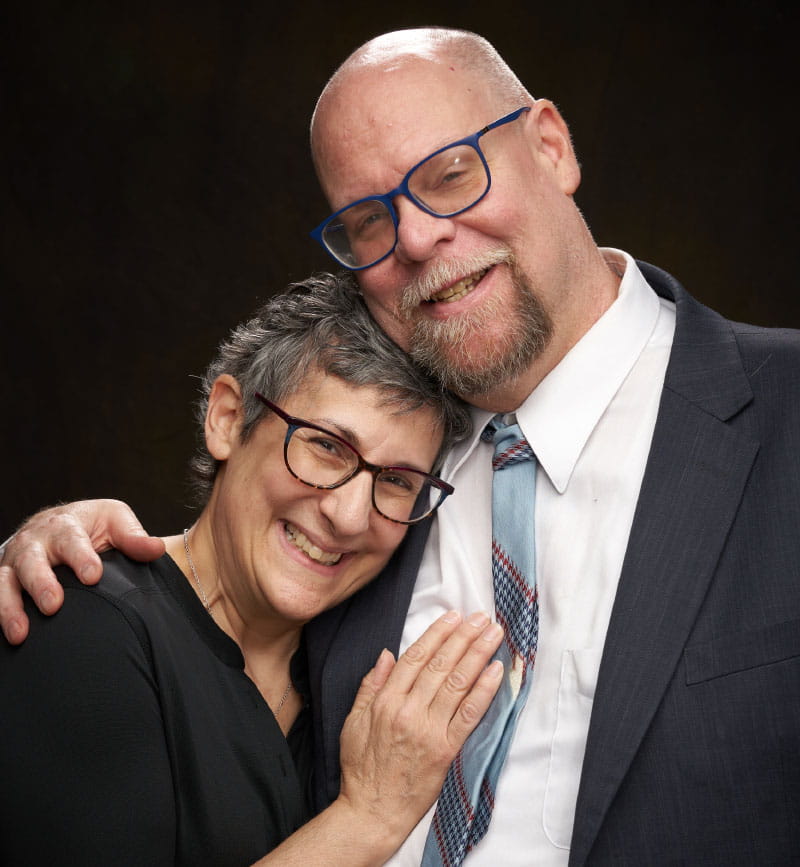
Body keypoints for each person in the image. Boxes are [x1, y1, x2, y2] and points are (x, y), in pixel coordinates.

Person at [3, 25, 800, 865]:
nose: (418, 237)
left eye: (451, 173)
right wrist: (99, 563)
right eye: (370, 220)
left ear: (551, 145)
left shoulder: (779, 413)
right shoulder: (383, 481)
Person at [0, 271, 506, 866]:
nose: (347, 515)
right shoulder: (90, 627)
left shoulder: (345, 677)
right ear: (227, 418)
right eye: (325, 446)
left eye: (395, 481)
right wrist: (368, 818)